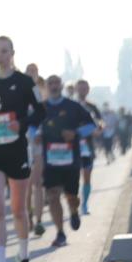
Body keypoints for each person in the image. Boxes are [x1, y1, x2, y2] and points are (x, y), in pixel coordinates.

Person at [0, 37, 44, 262]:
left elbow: (41, 111)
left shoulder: (25, 82)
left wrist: (23, 124)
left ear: (13, 53)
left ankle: (24, 258)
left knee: (18, 209)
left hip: (16, 150)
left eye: (4, 51)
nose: (0, 55)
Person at [40, 75, 97, 247]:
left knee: (71, 195)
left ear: (62, 86)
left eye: (57, 83)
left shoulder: (73, 106)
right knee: (52, 195)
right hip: (49, 161)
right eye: (50, 83)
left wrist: (76, 133)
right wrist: (34, 135)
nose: (54, 86)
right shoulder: (41, 108)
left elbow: (92, 125)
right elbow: (31, 126)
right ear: (47, 87)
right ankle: (60, 233)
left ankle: (73, 211)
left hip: (71, 160)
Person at [74, 80, 103, 215]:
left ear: (88, 89)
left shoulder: (92, 106)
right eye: (80, 88)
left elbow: (100, 123)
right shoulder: (70, 104)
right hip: (72, 147)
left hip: (88, 147)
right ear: (76, 89)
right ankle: (73, 203)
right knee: (72, 177)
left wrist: (99, 129)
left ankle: (84, 204)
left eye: (85, 88)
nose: (82, 91)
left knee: (86, 176)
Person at [24, 63, 47, 236]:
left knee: (37, 182)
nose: (32, 74)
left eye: (34, 71)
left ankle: (39, 220)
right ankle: (29, 216)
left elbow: (45, 114)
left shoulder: (41, 91)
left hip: (37, 140)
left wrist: (39, 131)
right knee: (26, 185)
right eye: (29, 71)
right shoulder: (19, 90)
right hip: (22, 141)